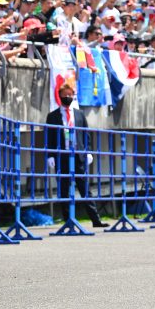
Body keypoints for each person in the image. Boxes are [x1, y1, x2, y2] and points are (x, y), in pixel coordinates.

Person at [45, 83, 108, 228]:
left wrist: (88, 151)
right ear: (59, 96)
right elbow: (49, 137)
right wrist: (50, 155)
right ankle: (68, 221)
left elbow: (86, 134)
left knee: (85, 189)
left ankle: (95, 220)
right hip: (62, 156)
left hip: (78, 155)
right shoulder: (53, 116)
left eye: (70, 95)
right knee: (64, 189)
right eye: (65, 95)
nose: (68, 97)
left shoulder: (79, 114)